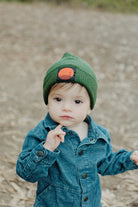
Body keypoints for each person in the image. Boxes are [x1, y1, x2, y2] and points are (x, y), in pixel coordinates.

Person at [16, 52, 138, 207]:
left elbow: (105, 163)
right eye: (58, 99)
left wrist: (129, 158)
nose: (66, 108)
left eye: (77, 101)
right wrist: (46, 148)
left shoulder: (99, 136)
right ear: (47, 101)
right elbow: (26, 173)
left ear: (90, 107)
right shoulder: (42, 134)